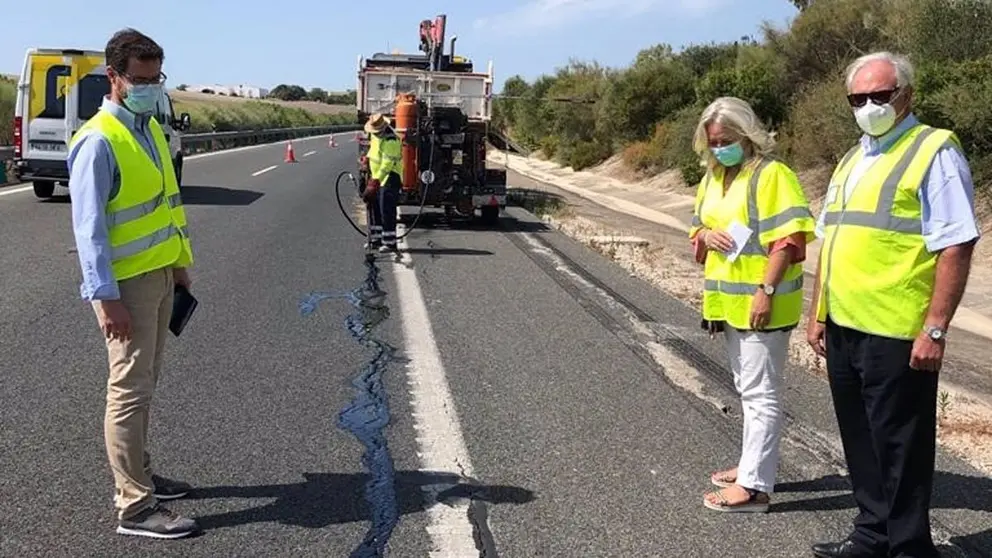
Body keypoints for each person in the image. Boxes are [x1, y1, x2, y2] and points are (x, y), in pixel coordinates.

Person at [806, 51, 980, 558]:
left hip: (897, 329)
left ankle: (908, 547)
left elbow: (956, 243)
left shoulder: (933, 149)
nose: (869, 106)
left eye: (879, 96)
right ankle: (871, 534)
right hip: (844, 322)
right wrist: (819, 312)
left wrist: (936, 328)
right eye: (858, 99)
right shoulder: (852, 157)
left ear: (906, 95)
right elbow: (832, 239)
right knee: (859, 439)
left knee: (900, 446)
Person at [67, 28, 199, 539]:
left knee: (145, 387)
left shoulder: (149, 130)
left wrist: (180, 267)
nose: (149, 87)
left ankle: (142, 475)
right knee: (126, 391)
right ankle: (134, 506)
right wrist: (104, 299)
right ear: (114, 77)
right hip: (127, 287)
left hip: (161, 277)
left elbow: (167, 210)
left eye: (156, 78)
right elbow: (89, 232)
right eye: (140, 79)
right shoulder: (99, 141)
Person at [688, 96, 816, 513]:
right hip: (728, 304)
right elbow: (698, 227)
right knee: (747, 388)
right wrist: (706, 237)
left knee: (762, 393)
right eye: (712, 143)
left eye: (725, 140)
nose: (719, 148)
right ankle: (750, 467)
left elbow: (788, 241)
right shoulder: (714, 177)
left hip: (764, 305)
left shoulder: (772, 175)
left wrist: (767, 290)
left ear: (746, 136)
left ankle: (755, 488)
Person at [362, 113, 403, 253]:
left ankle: (390, 242)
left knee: (386, 210)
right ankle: (376, 239)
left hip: (389, 178)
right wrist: (366, 160)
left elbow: (387, 164)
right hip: (376, 176)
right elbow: (372, 151)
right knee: (375, 208)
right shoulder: (375, 135)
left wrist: (375, 181)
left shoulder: (391, 140)